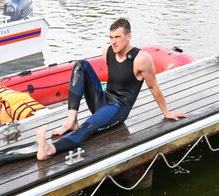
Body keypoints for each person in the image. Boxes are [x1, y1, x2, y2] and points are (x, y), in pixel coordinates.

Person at [36, 18, 187, 160]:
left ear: (128, 36)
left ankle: (50, 149)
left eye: (117, 37)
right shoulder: (107, 51)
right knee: (81, 64)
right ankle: (71, 121)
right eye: (111, 37)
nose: (113, 42)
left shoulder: (141, 59)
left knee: (87, 127)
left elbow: (154, 87)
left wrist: (166, 112)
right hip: (103, 99)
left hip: (118, 109)